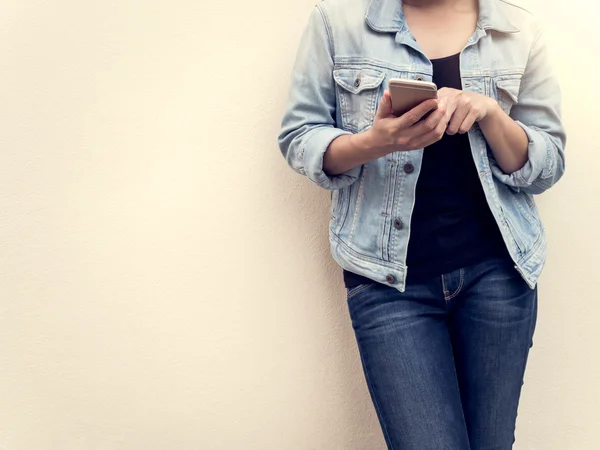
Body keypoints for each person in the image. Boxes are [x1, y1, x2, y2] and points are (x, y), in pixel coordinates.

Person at [277, 0, 566, 448]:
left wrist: (490, 114)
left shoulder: (518, 28)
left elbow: (546, 165)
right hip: (388, 282)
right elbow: (300, 137)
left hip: (498, 276)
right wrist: (373, 142)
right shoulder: (338, 23)